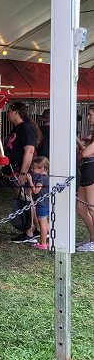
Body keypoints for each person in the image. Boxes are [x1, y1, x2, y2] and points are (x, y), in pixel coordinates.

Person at [5, 101, 42, 243]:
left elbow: (29, 151)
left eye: (9, 111)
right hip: (15, 168)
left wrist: (22, 173)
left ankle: (28, 232)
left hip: (21, 169)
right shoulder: (17, 128)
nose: (7, 114)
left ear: (16, 112)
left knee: (24, 197)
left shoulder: (26, 128)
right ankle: (36, 228)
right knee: (25, 197)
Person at [76, 105, 94, 251]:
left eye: (90, 114)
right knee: (81, 207)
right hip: (87, 169)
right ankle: (92, 238)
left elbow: (87, 152)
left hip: (92, 170)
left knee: (92, 207)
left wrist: (86, 148)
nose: (88, 117)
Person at [25, 156, 49, 250]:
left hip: (41, 204)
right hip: (47, 203)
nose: (32, 169)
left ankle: (42, 243)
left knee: (42, 225)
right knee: (46, 224)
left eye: (34, 167)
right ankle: (48, 241)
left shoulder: (40, 179)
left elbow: (35, 191)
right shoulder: (47, 177)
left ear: (42, 168)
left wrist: (30, 181)